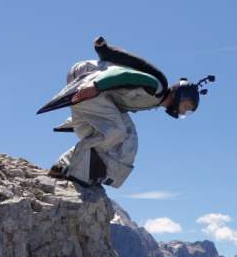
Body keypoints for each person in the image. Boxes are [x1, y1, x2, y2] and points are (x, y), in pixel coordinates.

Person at [38, 36, 214, 188]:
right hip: (90, 79)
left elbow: (131, 69)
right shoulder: (156, 87)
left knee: (128, 134)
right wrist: (96, 85)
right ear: (180, 96)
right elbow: (124, 74)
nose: (183, 111)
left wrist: (104, 51)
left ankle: (63, 166)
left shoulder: (152, 101)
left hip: (96, 89)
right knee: (117, 131)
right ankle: (78, 170)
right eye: (186, 106)